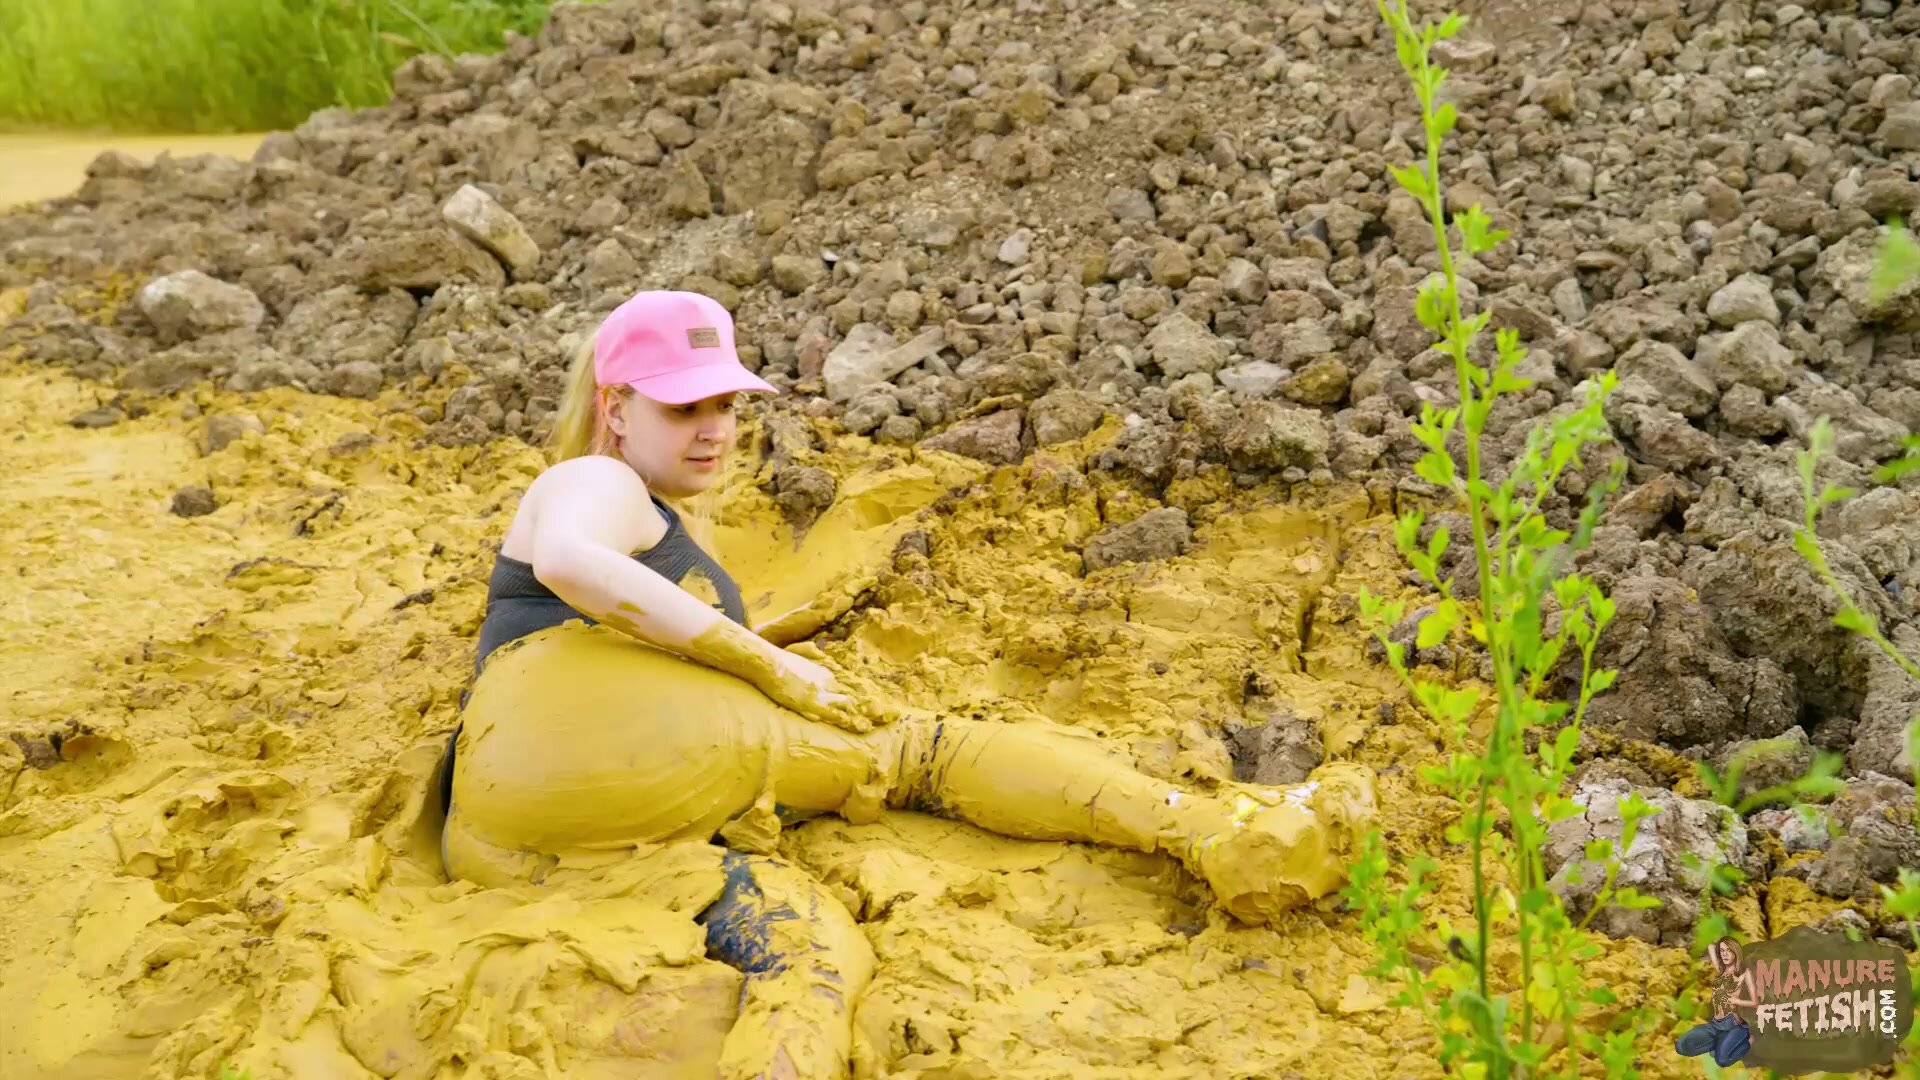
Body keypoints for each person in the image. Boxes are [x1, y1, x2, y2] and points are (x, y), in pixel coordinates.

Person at [427, 289, 1377, 1079]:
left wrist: (756, 646)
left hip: (518, 832)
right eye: (684, 409)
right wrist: (766, 663)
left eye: (727, 406)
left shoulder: (645, 505)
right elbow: (570, 561)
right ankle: (1213, 829)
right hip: (576, 719)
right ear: (614, 406)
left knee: (806, 950)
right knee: (919, 748)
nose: (715, 431)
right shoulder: (592, 483)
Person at [1673, 936, 1753, 1067]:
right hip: (1716, 1025)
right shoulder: (1721, 971)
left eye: (1728, 951)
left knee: (1722, 1060)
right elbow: (1711, 948)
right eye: (1722, 951)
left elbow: (1755, 1002)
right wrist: (1714, 938)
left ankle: (1747, 1043)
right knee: (1682, 1046)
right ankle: (1719, 1043)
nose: (1725, 954)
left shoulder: (1744, 975)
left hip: (1734, 1026)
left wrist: (1736, 1000)